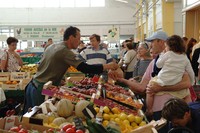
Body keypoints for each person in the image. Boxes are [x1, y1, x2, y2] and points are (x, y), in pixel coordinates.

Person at [110, 31, 191, 133]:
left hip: (176, 112)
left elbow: (187, 83)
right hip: (158, 111)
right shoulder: (156, 62)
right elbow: (142, 87)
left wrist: (161, 88)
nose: (151, 45)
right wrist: (122, 80)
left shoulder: (176, 60)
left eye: (153, 41)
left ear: (161, 42)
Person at [23, 26, 118, 113]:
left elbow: (46, 66)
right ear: (71, 37)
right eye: (78, 38)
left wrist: (59, 80)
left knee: (29, 117)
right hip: (42, 90)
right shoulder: (65, 51)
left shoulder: (52, 46)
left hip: (32, 85)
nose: (79, 41)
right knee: (39, 119)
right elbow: (85, 68)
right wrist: (107, 66)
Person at [146, 35, 195, 116]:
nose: (165, 48)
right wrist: (192, 82)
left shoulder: (168, 54)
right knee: (186, 93)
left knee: (150, 87)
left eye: (166, 46)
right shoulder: (184, 58)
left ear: (170, 47)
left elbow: (158, 65)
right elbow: (191, 72)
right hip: (176, 81)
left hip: (162, 80)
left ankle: (149, 109)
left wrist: (162, 55)